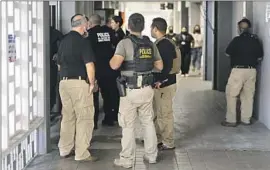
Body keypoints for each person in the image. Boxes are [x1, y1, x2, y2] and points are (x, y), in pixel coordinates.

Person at [109, 13, 163, 168]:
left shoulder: (124, 43)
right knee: (148, 123)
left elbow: (114, 65)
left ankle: (126, 160)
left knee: (128, 126)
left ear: (128, 26)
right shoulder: (150, 44)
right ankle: (151, 156)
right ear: (143, 26)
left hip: (130, 91)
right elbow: (160, 66)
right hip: (147, 89)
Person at [57, 14, 98, 162]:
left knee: (68, 116)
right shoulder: (83, 42)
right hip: (79, 84)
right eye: (86, 24)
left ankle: (64, 149)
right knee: (85, 118)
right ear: (84, 24)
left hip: (64, 83)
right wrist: (92, 83)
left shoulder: (64, 40)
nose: (87, 26)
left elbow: (59, 64)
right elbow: (89, 65)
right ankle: (82, 153)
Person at [221, 18, 263, 127]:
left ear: (239, 28)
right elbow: (259, 57)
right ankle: (246, 119)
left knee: (231, 94)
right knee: (248, 96)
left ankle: (231, 120)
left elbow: (227, 53)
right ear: (249, 28)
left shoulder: (236, 40)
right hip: (252, 71)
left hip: (238, 71)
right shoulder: (255, 40)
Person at [87, 14, 120, 128]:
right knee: (109, 94)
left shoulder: (89, 34)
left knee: (93, 96)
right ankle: (110, 118)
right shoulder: (109, 31)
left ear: (90, 23)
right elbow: (116, 45)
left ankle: (93, 122)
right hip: (109, 68)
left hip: (96, 69)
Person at [151, 17, 177, 150]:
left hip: (164, 85)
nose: (150, 30)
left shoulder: (164, 45)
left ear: (155, 28)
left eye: (151, 27)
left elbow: (167, 66)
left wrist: (161, 81)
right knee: (158, 113)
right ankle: (158, 139)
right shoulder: (164, 43)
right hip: (162, 84)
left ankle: (168, 142)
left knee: (164, 114)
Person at [50, 26, 63, 112]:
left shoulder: (54, 32)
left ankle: (49, 108)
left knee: (51, 86)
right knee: (51, 86)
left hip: (51, 64)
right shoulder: (55, 32)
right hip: (51, 64)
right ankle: (50, 107)